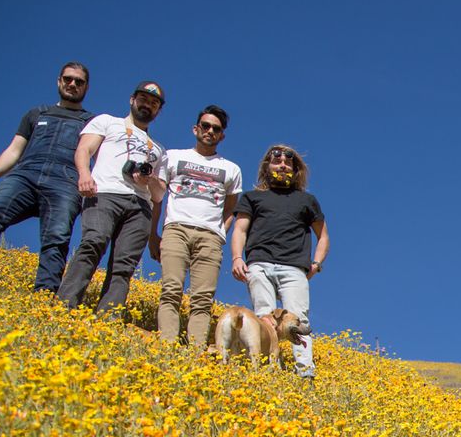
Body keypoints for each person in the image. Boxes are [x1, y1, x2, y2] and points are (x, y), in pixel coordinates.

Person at [0, 62, 94, 291]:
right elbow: (15, 149)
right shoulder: (37, 113)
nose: (72, 84)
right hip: (25, 174)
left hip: (65, 180)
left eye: (79, 82)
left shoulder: (91, 121)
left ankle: (44, 296)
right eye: (68, 79)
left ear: (86, 87)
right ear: (59, 81)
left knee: (57, 238)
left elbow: (94, 156)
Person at [57, 82, 167, 314]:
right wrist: (84, 174)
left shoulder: (159, 149)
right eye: (144, 99)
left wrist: (150, 181)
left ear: (158, 110)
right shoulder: (107, 121)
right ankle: (63, 307)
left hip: (140, 206)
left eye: (154, 103)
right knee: (93, 243)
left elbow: (158, 196)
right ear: (132, 100)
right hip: (105, 193)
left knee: (124, 265)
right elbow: (84, 149)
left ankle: (107, 320)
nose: (148, 105)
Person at [230, 144, 330, 379]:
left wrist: (316, 264)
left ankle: (305, 374)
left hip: (294, 267)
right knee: (263, 316)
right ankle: (266, 369)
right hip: (259, 264)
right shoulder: (252, 197)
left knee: (298, 319)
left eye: (288, 163)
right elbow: (240, 230)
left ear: (296, 170)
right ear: (267, 166)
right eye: (277, 161)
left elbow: (323, 236)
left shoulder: (307, 200)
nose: (283, 165)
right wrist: (236, 257)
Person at [149, 106, 242, 347]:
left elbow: (231, 207)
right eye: (205, 126)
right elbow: (157, 197)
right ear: (195, 129)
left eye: (216, 129)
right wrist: (153, 234)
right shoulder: (173, 156)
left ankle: (195, 351)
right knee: (171, 289)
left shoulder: (231, 169)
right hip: (176, 229)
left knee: (202, 298)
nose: (210, 131)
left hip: (210, 236)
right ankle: (167, 346)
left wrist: (221, 231)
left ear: (222, 135)